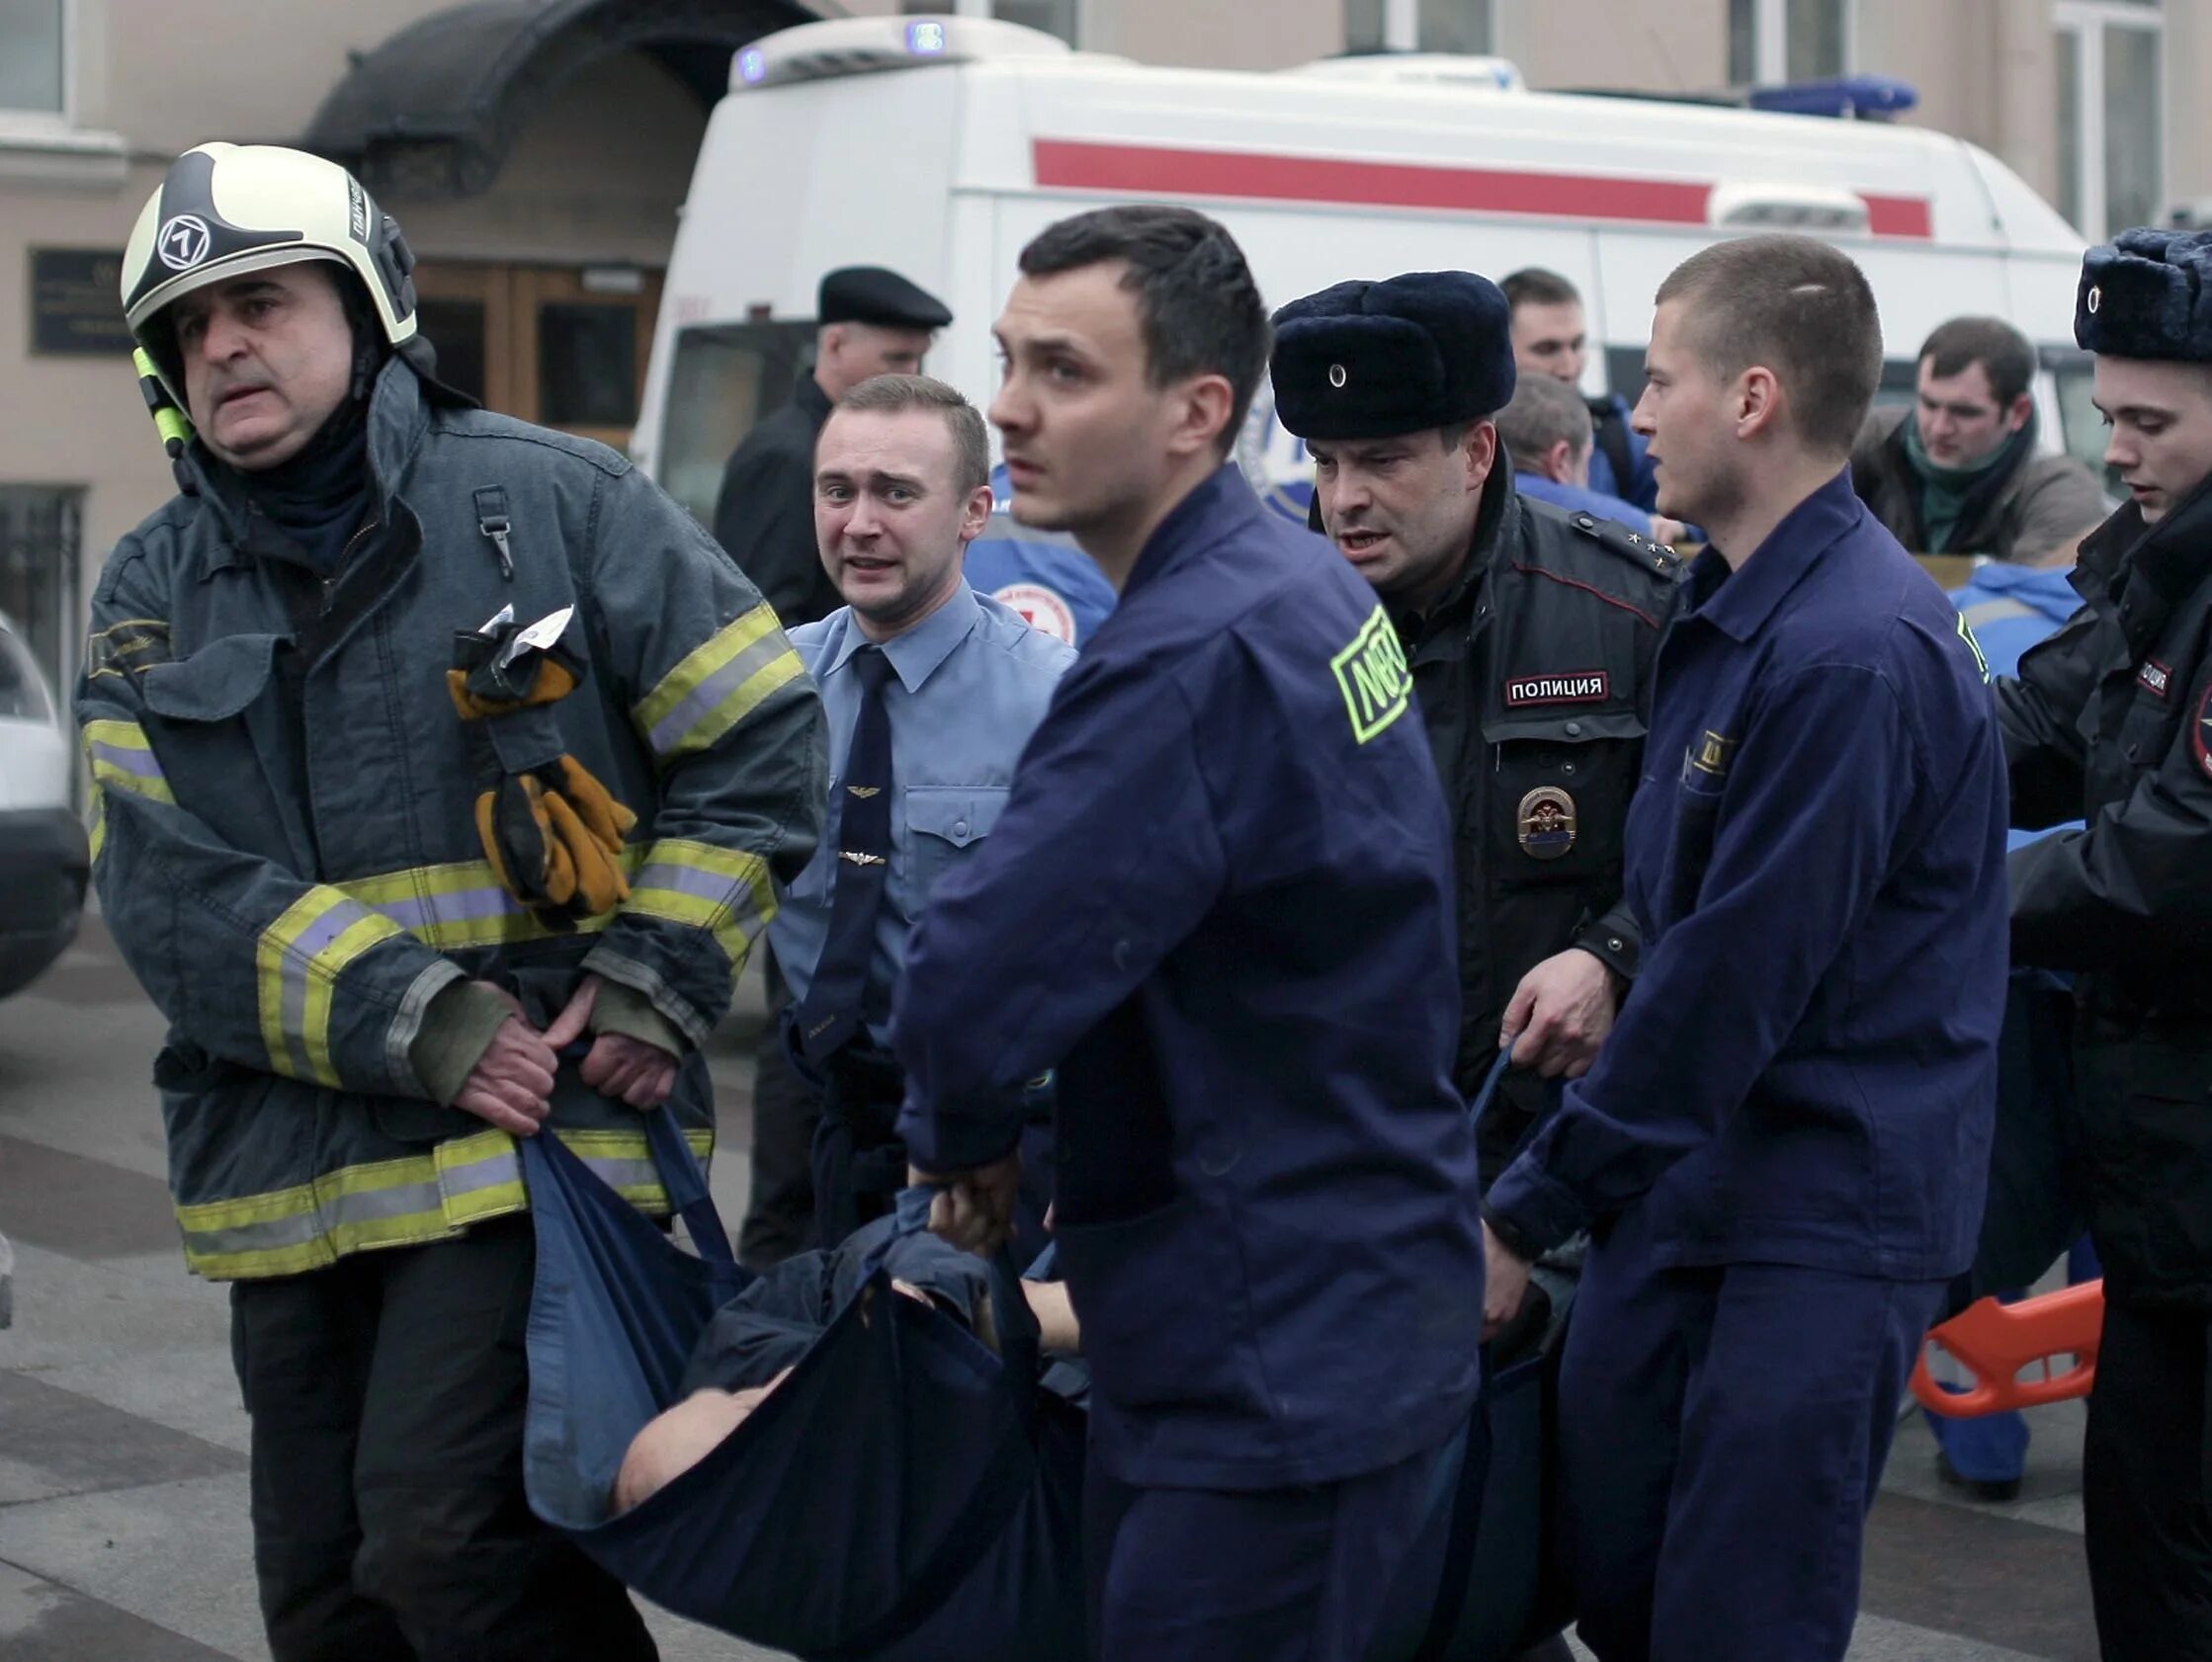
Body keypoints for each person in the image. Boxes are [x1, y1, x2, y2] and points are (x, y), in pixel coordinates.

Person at [80, 142, 823, 1661]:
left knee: (448, 1540)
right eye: (189, 326)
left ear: (367, 307)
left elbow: (758, 734)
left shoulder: (555, 505)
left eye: (262, 302)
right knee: (329, 1593)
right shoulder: (150, 591)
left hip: (524, 1152)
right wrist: (413, 1016)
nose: (223, 343)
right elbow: (156, 881)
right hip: (282, 1176)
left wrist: (653, 976)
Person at [892, 205, 1483, 1662]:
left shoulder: (1189, 653)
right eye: (1007, 360)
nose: (1010, 407)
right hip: (1329, 1306)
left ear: (1195, 411)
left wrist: (959, 1141)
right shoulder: (1285, 584)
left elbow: (971, 978)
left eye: (1066, 372)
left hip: (1268, 1356)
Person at [1479, 233, 2010, 1662]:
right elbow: (1678, 916)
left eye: (1657, 381)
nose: (1631, 416)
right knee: (1620, 1580)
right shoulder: (1732, 609)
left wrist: (1523, 1206)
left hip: (1814, 1219)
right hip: (1693, 1188)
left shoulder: (1849, 652)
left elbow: (1735, 976)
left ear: (1755, 397)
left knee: (1737, 1618)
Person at [1267, 271, 1682, 1184]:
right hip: (1320, 1156)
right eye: (1325, 462)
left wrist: (1615, 957)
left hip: (1556, 1151)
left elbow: (1714, 847)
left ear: (1478, 450)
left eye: (1384, 461)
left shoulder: (1624, 611)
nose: (1345, 500)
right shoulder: (1252, 626)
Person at [1995, 225, 2212, 1660]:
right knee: (2141, 1562)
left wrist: (1930, 908)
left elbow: (2166, 864)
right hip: (2161, 1194)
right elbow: (2032, 730)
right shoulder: (2158, 561)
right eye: (2105, 412)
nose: (2114, 447)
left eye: (2149, 421)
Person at [770, 374, 1074, 1248]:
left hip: (1001, 1145)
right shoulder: (767, 689)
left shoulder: (1058, 702)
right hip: (831, 1120)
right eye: (838, 491)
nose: (860, 523)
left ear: (975, 511)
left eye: (897, 493)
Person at [711, 265, 952, 1271]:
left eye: (895, 493)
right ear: (837, 344)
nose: (862, 518)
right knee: (794, 1180)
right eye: (893, 359)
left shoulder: (1033, 687)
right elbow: (751, 612)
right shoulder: (783, 454)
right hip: (822, 800)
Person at [1851, 314, 2107, 562]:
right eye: (1929, 404)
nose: (1940, 428)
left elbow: (2035, 595)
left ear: (2018, 412)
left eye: (1964, 412)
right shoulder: (1872, 441)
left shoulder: (2059, 492)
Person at [1502, 266, 1658, 510]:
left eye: (1576, 345)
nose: (1569, 366)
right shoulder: (1466, 442)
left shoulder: (1621, 439)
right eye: (1547, 349)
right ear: (1501, 352)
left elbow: (1696, 520)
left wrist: (1677, 530)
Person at [1493, 372, 1688, 544]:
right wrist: (1653, 526)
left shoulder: (1471, 504)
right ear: (1561, 461)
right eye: (1587, 461)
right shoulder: (1616, 522)